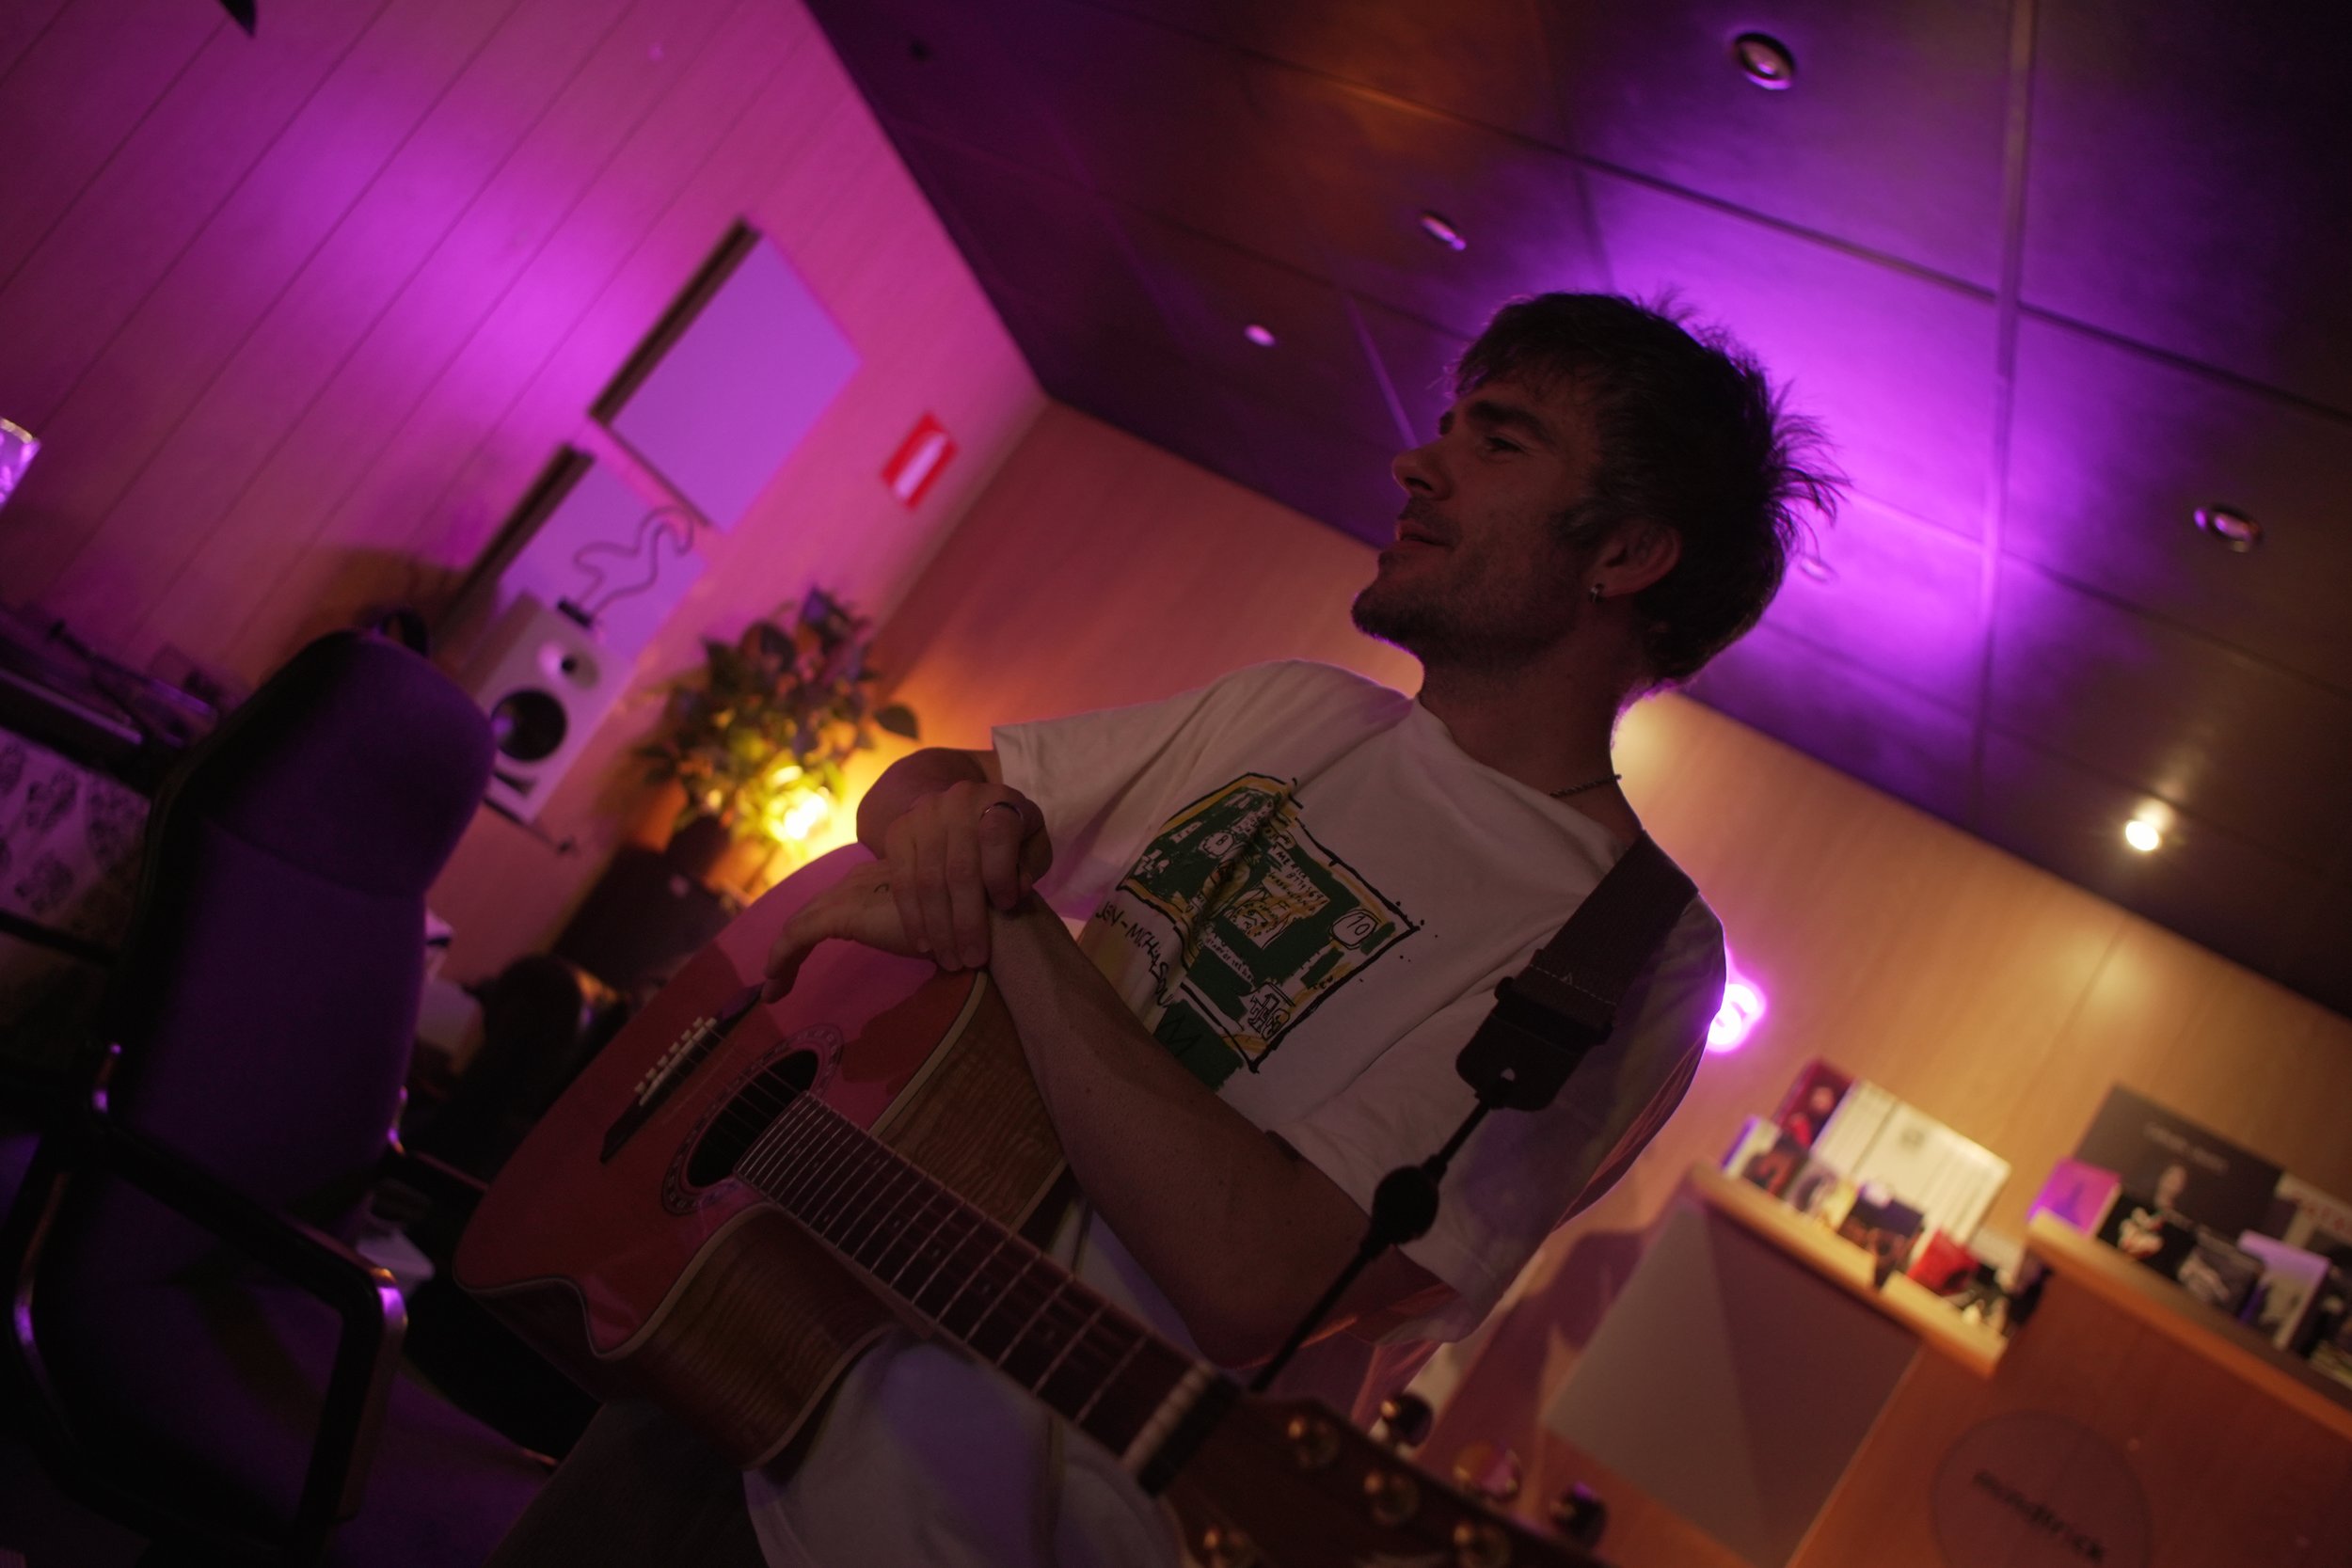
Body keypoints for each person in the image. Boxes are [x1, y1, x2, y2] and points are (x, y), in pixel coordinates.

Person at [485, 293, 1835, 1568]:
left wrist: (1004, 916)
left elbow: (1254, 1272)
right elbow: (929, 787)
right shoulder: (1298, 712)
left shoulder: (1633, 948)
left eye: (1499, 437)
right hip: (733, 1333)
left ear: (1625, 552)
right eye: (1452, 421)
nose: (1418, 464)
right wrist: (953, 824)